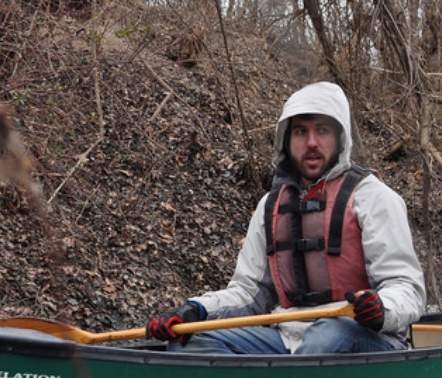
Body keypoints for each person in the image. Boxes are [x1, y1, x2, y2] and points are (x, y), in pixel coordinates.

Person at [145, 81, 426, 354]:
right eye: (301, 132)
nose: (312, 142)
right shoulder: (271, 205)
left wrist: (381, 308)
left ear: (340, 138)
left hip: (363, 336)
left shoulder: (374, 198)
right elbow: (248, 293)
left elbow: (407, 289)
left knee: (326, 337)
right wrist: (197, 309)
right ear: (287, 140)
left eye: (323, 130)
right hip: (287, 336)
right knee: (192, 341)